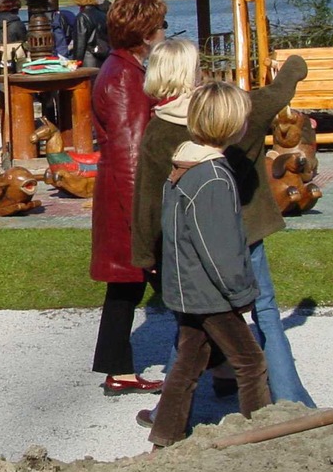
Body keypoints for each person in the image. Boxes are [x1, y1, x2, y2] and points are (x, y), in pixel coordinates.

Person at [132, 39, 315, 409]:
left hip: (193, 243)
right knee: (265, 311)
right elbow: (279, 92)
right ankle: (291, 400)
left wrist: (145, 253)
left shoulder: (159, 132)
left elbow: (148, 201)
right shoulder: (236, 108)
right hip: (248, 231)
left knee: (192, 325)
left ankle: (170, 409)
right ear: (194, 71)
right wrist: (293, 65)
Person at [146, 81, 271, 448]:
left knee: (187, 364)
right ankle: (260, 439)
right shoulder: (213, 177)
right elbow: (220, 248)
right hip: (210, 293)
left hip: (188, 289)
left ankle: (164, 437)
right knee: (250, 364)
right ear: (233, 127)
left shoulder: (183, 167)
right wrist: (241, 292)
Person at [89, 0, 166, 394]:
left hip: (121, 196)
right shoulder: (123, 77)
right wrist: (145, 218)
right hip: (129, 199)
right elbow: (130, 152)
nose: (164, 32)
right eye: (160, 25)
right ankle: (226, 363)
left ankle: (117, 368)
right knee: (177, 284)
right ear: (147, 31)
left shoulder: (123, 70)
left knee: (126, 285)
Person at [72, 0, 110, 69]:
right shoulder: (102, 14)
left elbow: (80, 44)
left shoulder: (82, 17)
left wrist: (75, 64)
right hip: (102, 55)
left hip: (88, 58)